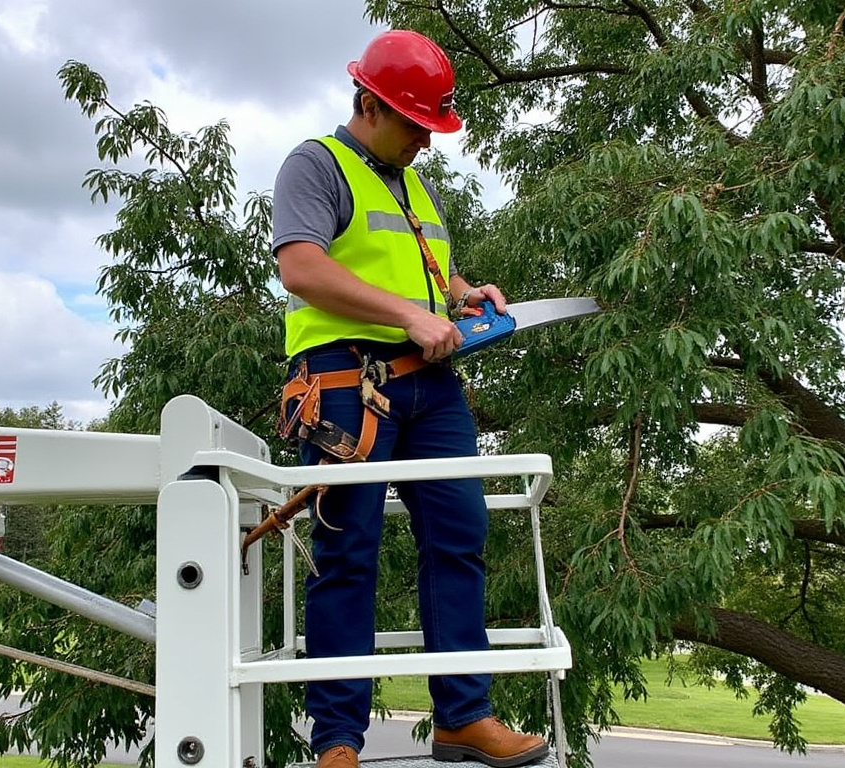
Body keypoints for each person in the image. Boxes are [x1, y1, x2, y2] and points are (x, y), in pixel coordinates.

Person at [271, 29, 549, 768]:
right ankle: (336, 740)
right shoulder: (315, 164)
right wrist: (410, 315)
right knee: (348, 552)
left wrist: (464, 296)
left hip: (432, 388)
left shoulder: (414, 183)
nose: (424, 142)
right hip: (345, 384)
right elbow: (300, 267)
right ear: (369, 103)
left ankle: (464, 717)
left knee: (461, 538)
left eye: (431, 129)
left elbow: (427, 279)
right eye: (414, 125)